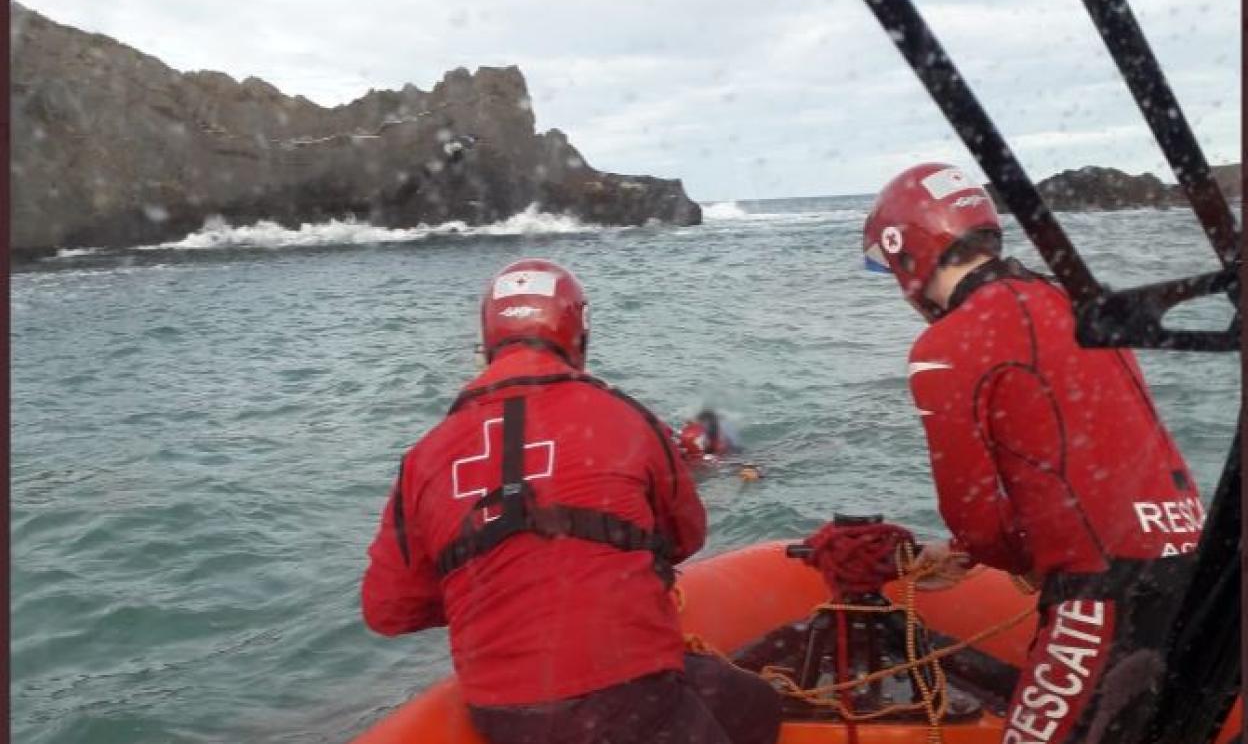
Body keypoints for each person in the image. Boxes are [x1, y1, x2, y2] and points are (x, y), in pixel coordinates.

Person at [361, 258, 781, 744]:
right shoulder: (624, 418)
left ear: (488, 341)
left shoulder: (424, 457)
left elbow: (387, 610)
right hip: (631, 694)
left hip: (505, 715)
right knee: (757, 707)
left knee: (747, 701)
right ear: (577, 335)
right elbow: (686, 536)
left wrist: (483, 579)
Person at [862, 163, 1205, 743]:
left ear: (906, 255)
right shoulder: (1073, 299)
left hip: (1107, 590)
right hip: (1200, 563)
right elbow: (1095, 449)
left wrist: (983, 552)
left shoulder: (945, 347)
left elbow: (972, 518)